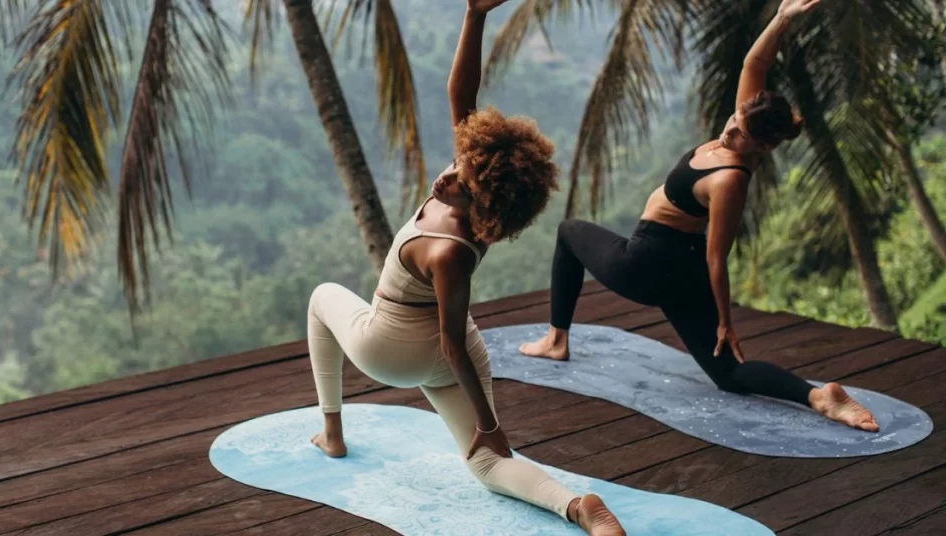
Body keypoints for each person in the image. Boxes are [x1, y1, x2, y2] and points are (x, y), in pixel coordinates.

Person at [305, 0, 625, 533]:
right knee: (486, 461)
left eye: (462, 185)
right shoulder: (475, 177)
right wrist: (476, 16)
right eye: (459, 167)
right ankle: (580, 508)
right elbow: (463, 95)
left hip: (400, 349)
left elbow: (449, 343)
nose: (446, 179)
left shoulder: (451, 247)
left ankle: (333, 435)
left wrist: (490, 420)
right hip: (454, 349)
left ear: (485, 203)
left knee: (321, 297)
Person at [520, 0, 880, 433]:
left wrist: (726, 321)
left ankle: (557, 340)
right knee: (727, 376)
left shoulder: (731, 180)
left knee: (568, 232)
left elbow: (717, 256)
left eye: (740, 134)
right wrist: (782, 20)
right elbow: (756, 60)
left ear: (762, 147)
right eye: (734, 118)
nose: (729, 130)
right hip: (680, 265)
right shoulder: (748, 123)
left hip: (648, 262)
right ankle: (820, 397)